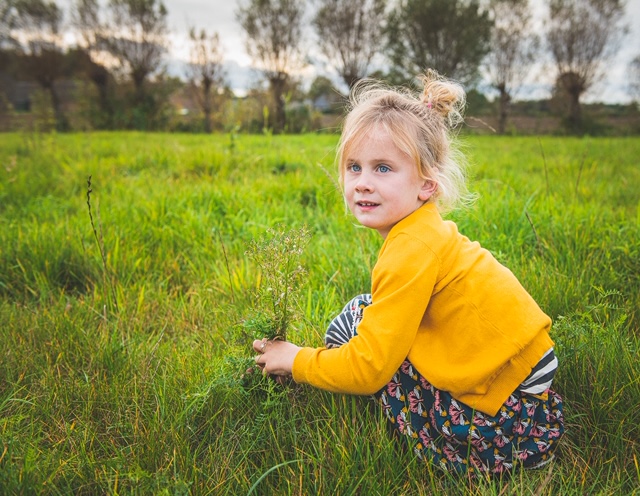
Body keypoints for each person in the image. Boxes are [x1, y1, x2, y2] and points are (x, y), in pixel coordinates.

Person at [252, 69, 564, 476]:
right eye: (354, 167)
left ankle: (466, 448)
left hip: (502, 412)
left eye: (383, 168)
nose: (362, 183)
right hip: (521, 378)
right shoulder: (424, 229)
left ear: (427, 185)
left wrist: (296, 360)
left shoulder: (410, 250)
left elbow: (368, 368)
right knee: (365, 311)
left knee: (351, 331)